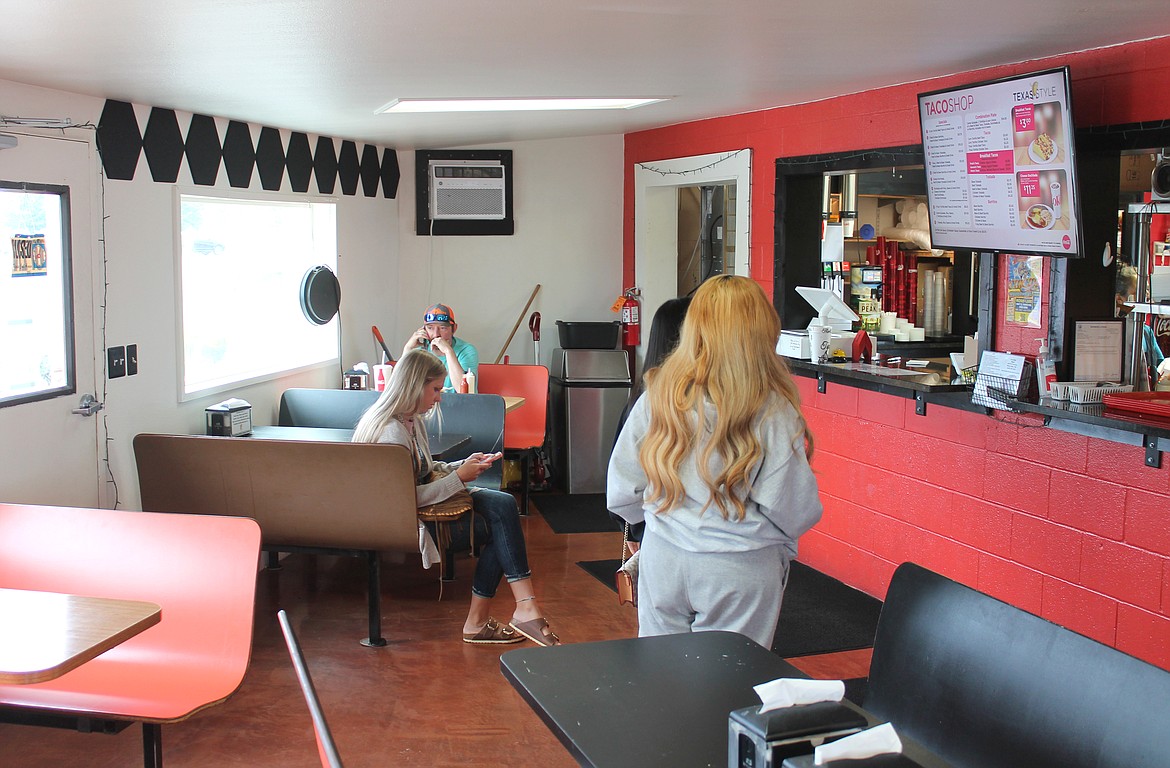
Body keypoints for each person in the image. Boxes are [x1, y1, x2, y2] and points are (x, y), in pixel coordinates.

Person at [606, 275, 822, 648]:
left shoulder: (658, 397)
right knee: (726, 686)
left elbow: (623, 492)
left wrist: (661, 518)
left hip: (664, 557)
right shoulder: (771, 409)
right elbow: (794, 509)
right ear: (762, 333)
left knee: (660, 679)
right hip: (739, 567)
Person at [353, 349, 560, 646]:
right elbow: (402, 501)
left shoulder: (410, 420)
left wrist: (461, 465)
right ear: (414, 384)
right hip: (406, 524)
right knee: (500, 529)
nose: (439, 397)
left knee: (503, 504)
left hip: (418, 511)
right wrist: (458, 478)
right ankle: (496, 616)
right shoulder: (390, 433)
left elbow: (425, 469)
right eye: (435, 389)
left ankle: (523, 608)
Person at [610, 296, 692, 553]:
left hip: (651, 529)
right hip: (668, 532)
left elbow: (620, 481)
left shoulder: (640, 401)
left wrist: (634, 527)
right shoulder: (657, 405)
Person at [402, 303, 479, 391]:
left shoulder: (466, 350)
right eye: (430, 328)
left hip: (456, 403)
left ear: (454, 329)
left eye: (443, 328)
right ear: (423, 329)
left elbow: (464, 391)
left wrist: (448, 352)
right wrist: (407, 349)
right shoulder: (418, 350)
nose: (436, 335)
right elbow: (399, 388)